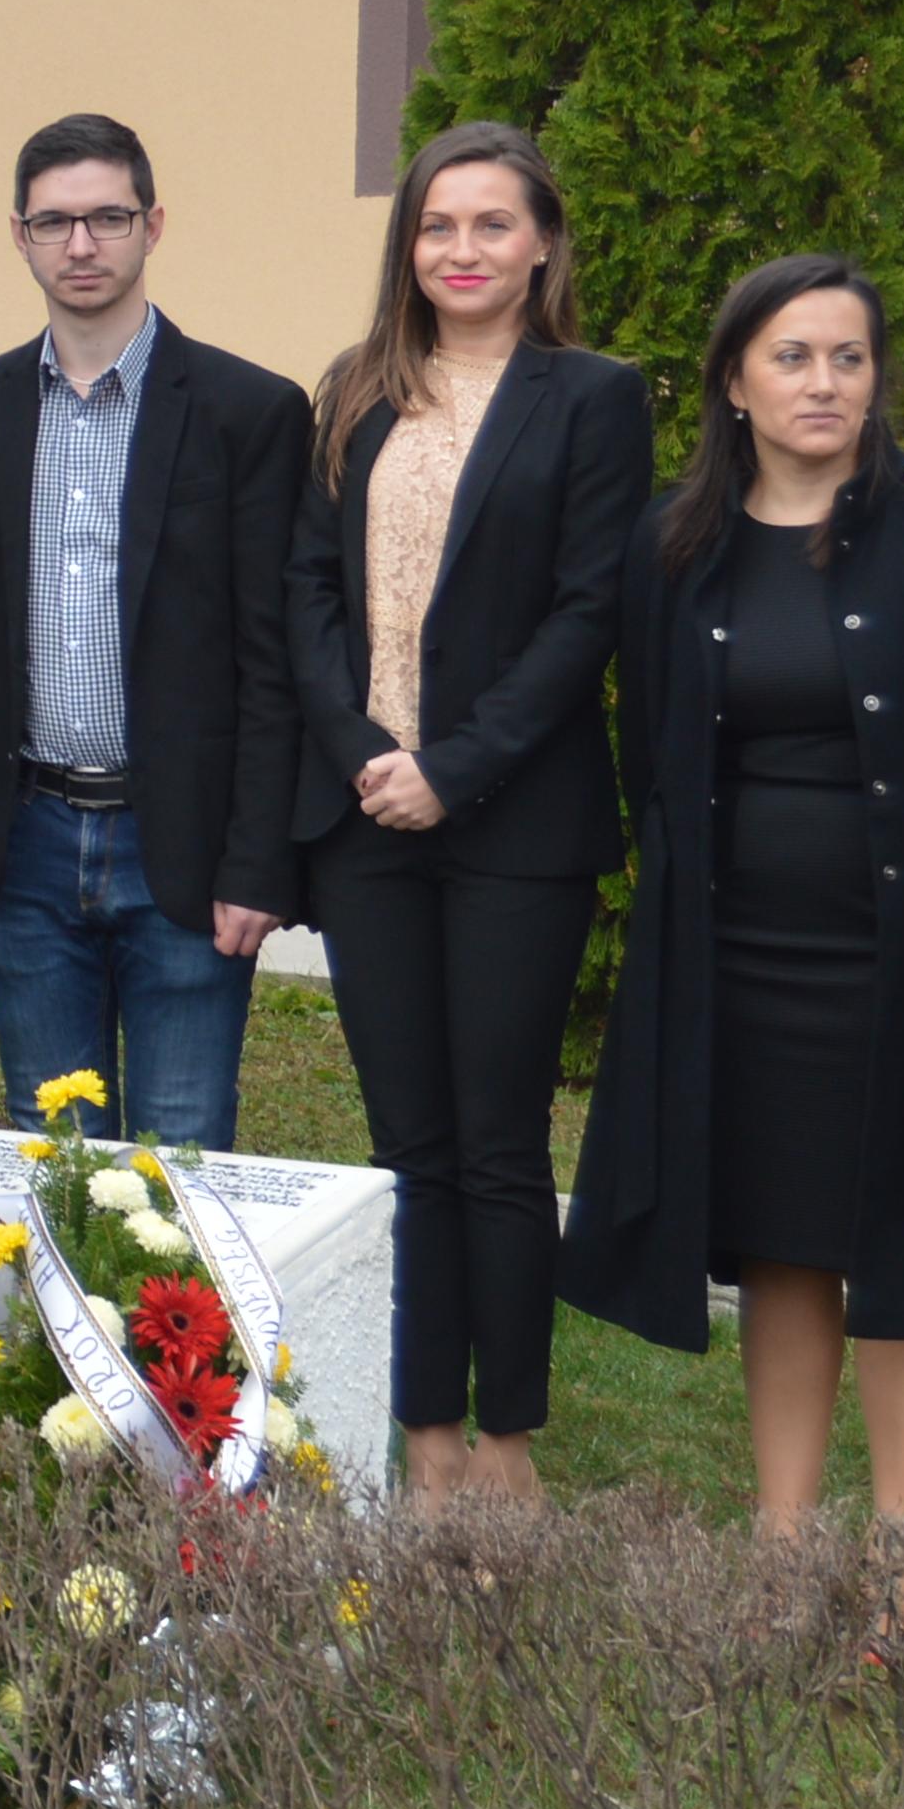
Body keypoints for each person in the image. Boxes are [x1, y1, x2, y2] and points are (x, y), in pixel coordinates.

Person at [564, 256, 904, 1544]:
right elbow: (654, 756)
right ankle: (782, 1547)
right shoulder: (672, 543)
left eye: (847, 358)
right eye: (791, 357)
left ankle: (901, 1554)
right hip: (742, 955)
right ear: (734, 383)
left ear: (876, 380)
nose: (822, 382)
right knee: (782, 1241)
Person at [289, 122, 648, 1509]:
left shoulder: (593, 399)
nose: (463, 251)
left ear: (542, 243)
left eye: (492, 226)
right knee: (406, 1145)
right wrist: (366, 751)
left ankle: (508, 1448)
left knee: (497, 1147)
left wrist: (459, 764)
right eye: (439, 228)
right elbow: (306, 594)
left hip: (514, 824)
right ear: (410, 247)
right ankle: (424, 1438)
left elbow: (587, 615)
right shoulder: (358, 390)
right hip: (368, 819)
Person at [0, 114, 309, 1153]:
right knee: (53, 1152)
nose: (80, 244)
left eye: (106, 218)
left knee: (179, 1154)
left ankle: (172, 1328)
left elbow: (273, 660)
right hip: (27, 842)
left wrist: (256, 862)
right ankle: (57, 1327)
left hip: (178, 842)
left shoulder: (247, 411)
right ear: (18, 236)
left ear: (152, 225)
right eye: (54, 222)